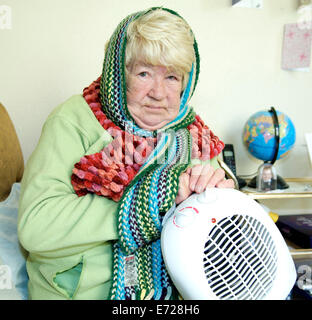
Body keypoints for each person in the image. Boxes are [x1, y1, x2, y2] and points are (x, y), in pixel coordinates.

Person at [18, 7, 234, 300]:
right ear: (117, 74)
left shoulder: (193, 135)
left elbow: (222, 234)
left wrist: (221, 198)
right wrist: (151, 202)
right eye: (144, 73)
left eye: (172, 77)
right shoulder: (72, 120)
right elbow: (36, 227)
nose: (158, 93)